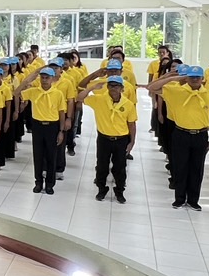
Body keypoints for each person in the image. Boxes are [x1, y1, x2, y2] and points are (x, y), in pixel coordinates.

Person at [149, 65, 209, 211]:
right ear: (186, 78)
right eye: (191, 77)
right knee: (180, 167)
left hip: (200, 134)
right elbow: (152, 87)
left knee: (197, 168)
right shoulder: (176, 91)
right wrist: (176, 78)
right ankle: (179, 198)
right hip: (181, 133)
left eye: (197, 77)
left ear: (202, 79)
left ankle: (193, 200)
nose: (194, 80)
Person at [79, 72, 137, 203]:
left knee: (120, 167)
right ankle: (101, 189)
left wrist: (132, 142)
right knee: (102, 166)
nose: (113, 89)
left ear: (122, 88)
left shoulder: (128, 104)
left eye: (116, 86)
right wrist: (91, 88)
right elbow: (80, 97)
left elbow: (132, 124)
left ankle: (119, 191)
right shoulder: (99, 100)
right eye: (111, 85)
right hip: (104, 139)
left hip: (121, 139)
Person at [21, 62, 69, 194]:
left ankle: (49, 184)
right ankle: (38, 182)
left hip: (52, 127)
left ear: (52, 79)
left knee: (51, 155)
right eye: (42, 77)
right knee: (38, 155)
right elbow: (17, 92)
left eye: (47, 77)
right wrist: (32, 76)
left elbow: (62, 113)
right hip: (37, 126)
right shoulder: (33, 91)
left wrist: (61, 131)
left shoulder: (58, 94)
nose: (44, 80)